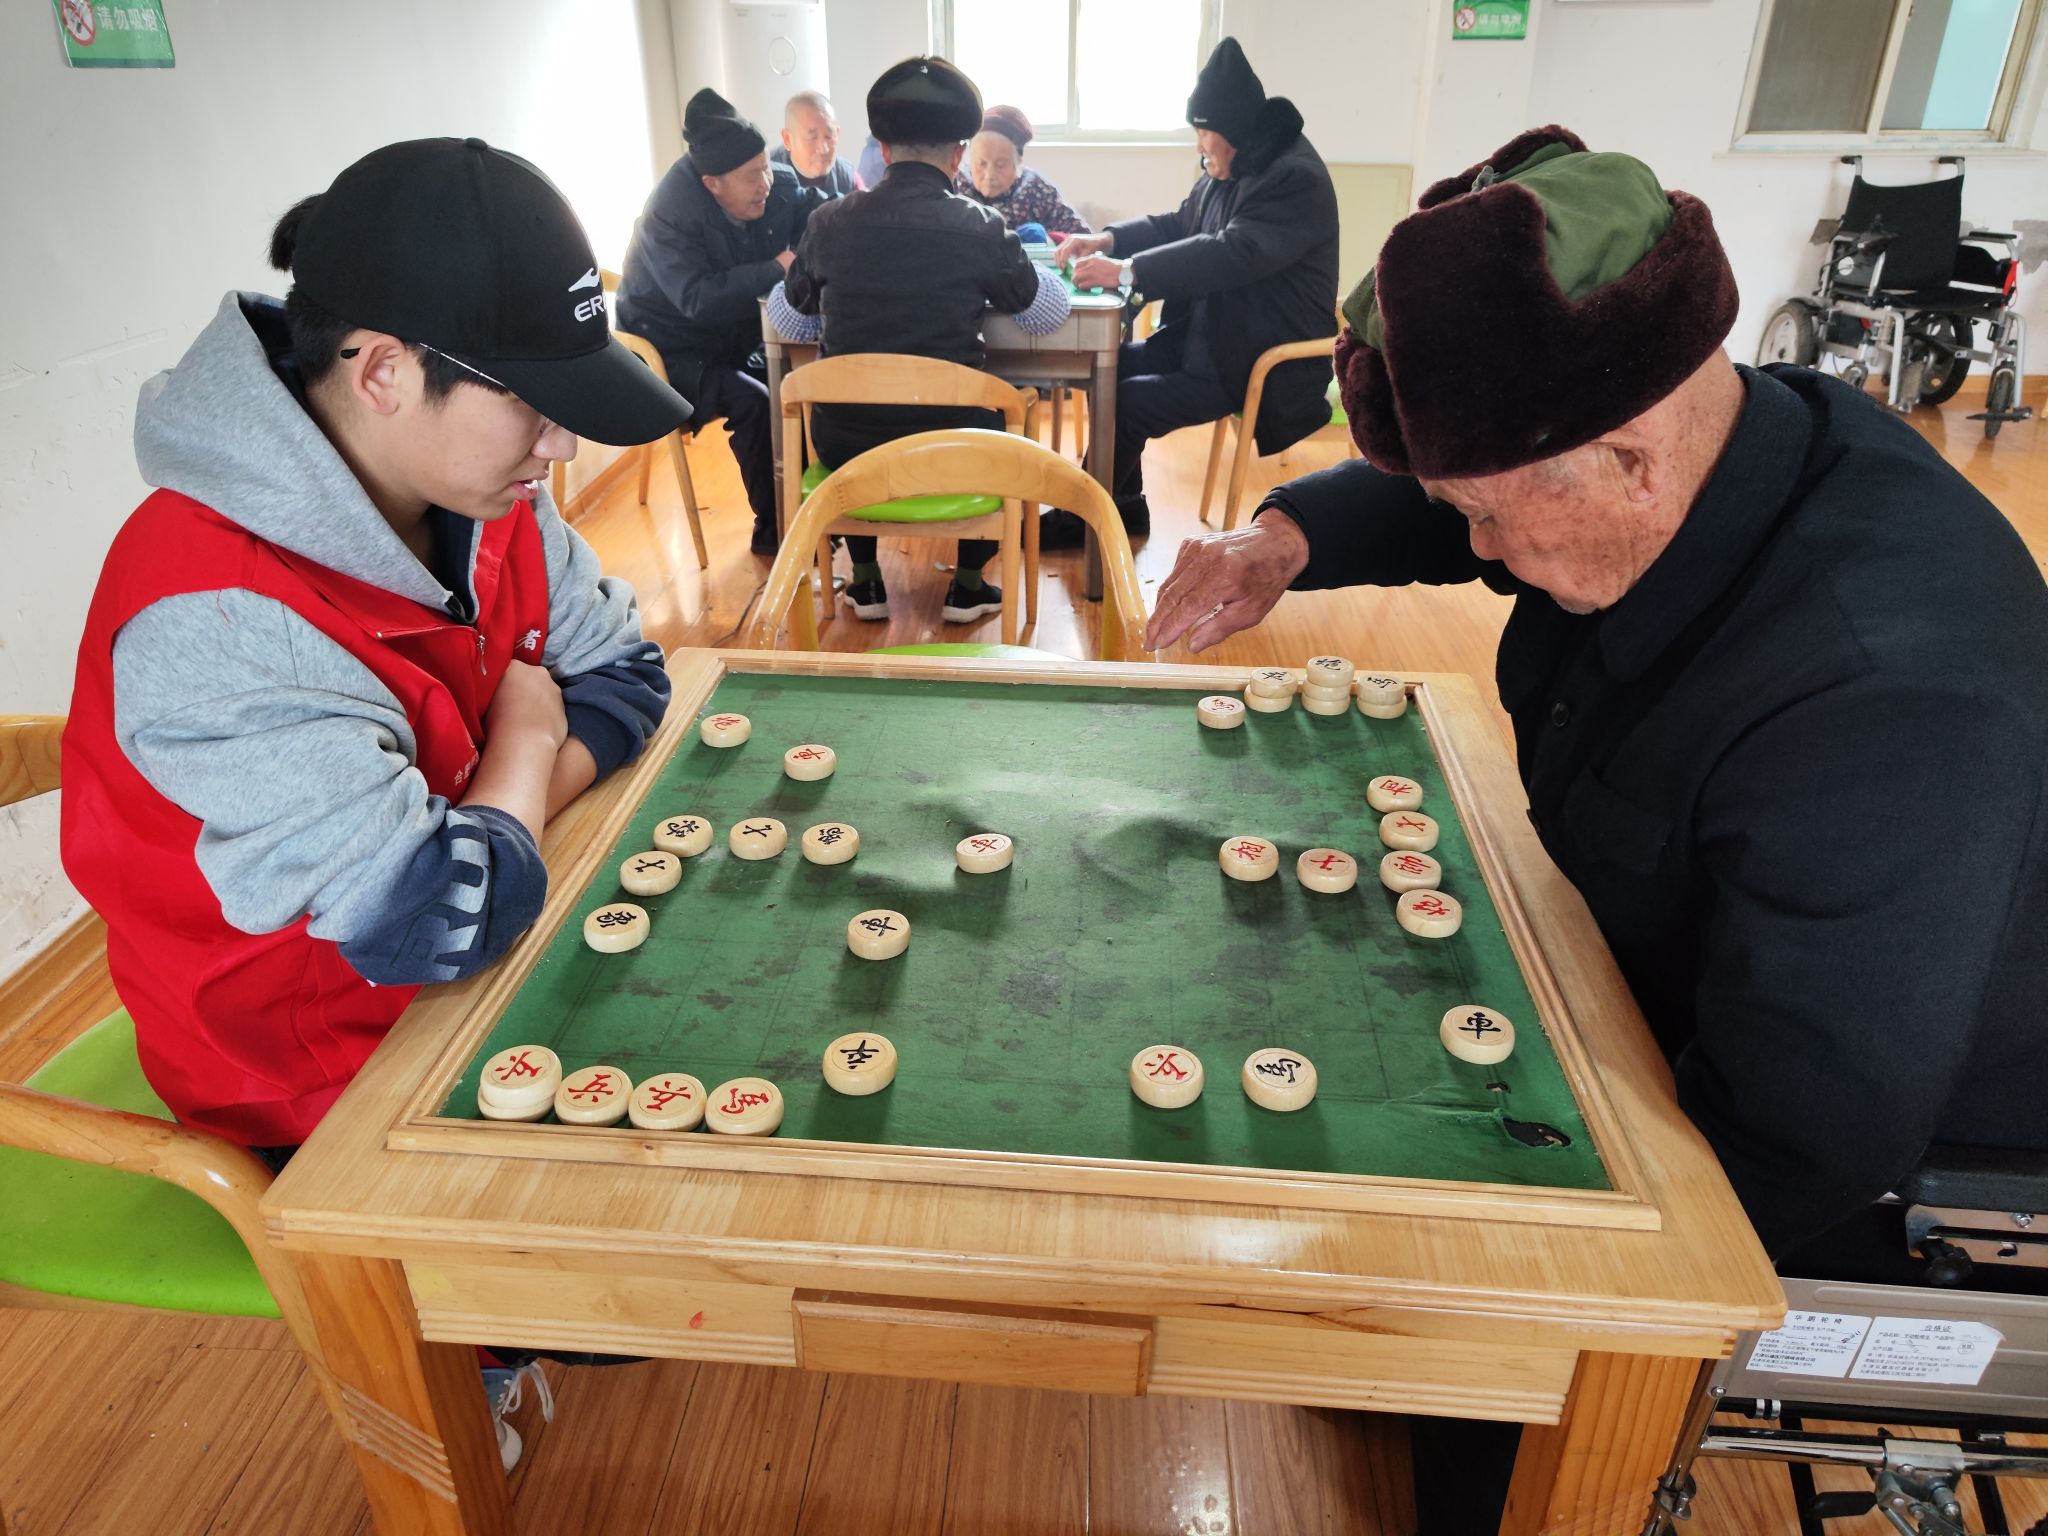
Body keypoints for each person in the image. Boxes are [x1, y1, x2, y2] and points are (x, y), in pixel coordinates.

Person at [1144, 125, 2048, 1525]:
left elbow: (1807, 1134)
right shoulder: (1708, 435)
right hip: (1654, 954)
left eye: (1488, 520)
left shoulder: (1883, 694)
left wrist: (1493, 1293)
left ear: (1626, 460)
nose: (1476, 549)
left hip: (1843, 1101)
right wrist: (1286, 538)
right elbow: (1468, 494)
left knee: (1476, 1416)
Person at [60, 137, 686, 1159]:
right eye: (530, 402)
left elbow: (626, 677)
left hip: (501, 961)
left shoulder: (484, 493)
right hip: (314, 1081)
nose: (563, 446)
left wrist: (494, 826)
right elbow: (435, 922)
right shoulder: (216, 614)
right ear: (386, 370)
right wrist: (527, 743)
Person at [770, 57, 1071, 624]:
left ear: (884, 150)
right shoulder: (982, 227)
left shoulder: (828, 222)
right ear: (958, 154)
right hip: (951, 448)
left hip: (845, 448)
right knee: (999, 423)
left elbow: (792, 322)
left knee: (851, 413)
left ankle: (865, 579)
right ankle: (967, 585)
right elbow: (1044, 314)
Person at [1043, 37, 1337, 547]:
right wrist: (1108, 240)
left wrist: (1126, 272)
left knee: (1127, 400)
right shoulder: (1235, 161)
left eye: (1203, 133)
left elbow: (1232, 252)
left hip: (1257, 354)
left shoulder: (1294, 177)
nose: (1199, 145)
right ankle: (1123, 504)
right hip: (1214, 335)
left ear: (1233, 131)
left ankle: (1085, 519)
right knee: (1106, 369)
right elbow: (1181, 223)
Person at [616, 88, 823, 555]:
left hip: (728, 336)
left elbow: (813, 205)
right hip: (668, 350)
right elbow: (697, 299)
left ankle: (808, 513)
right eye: (752, 177)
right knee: (756, 402)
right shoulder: (669, 215)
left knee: (800, 382)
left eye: (766, 167)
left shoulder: (769, 180)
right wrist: (777, 266)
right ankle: (776, 534)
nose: (765, 183)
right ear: (712, 184)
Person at [954, 105, 1090, 238]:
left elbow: (1081, 237)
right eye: (981, 163)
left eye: (1000, 165)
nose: (989, 175)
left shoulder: (1036, 188)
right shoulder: (956, 183)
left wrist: (1049, 239)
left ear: (1018, 162)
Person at [771, 88, 861, 197]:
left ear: (837, 133)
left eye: (828, 136)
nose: (824, 149)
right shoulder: (767, 177)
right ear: (788, 140)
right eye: (812, 137)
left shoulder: (848, 178)